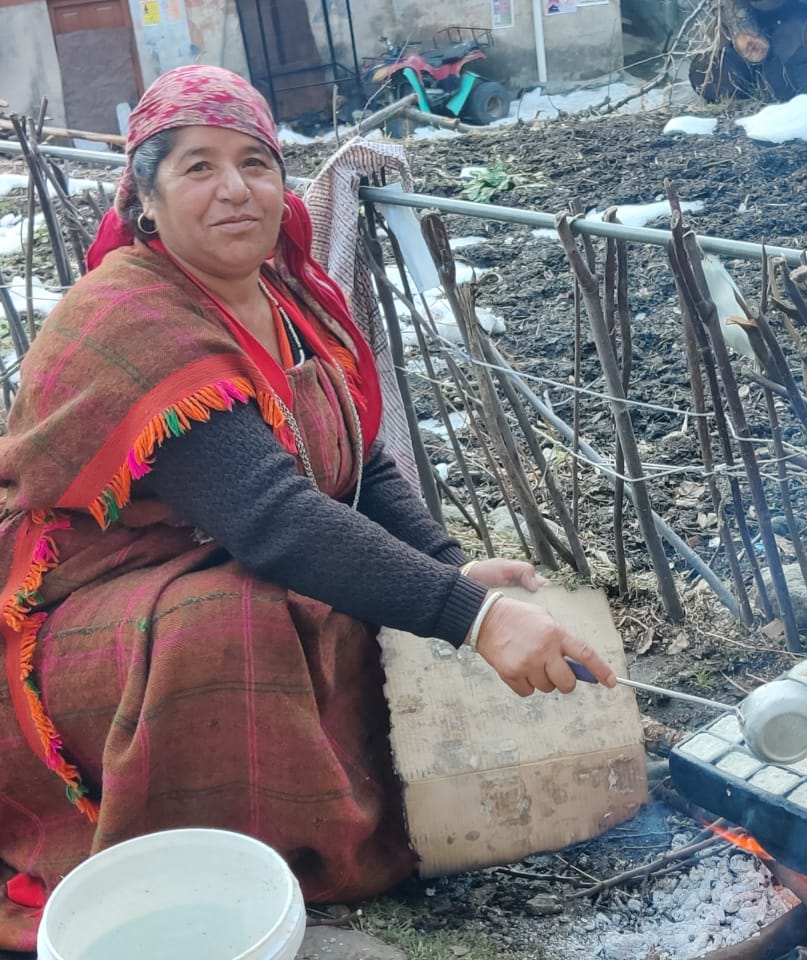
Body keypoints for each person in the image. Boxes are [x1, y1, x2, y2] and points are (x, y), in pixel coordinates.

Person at [0, 64, 616, 953]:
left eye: (254, 162)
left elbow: (355, 456)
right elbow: (273, 517)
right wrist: (473, 617)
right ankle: (236, 857)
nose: (235, 189)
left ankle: (342, 806)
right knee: (239, 615)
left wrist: (447, 567)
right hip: (71, 622)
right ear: (146, 195)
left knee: (344, 593)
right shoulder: (132, 318)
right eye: (198, 167)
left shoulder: (286, 299)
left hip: (205, 552)